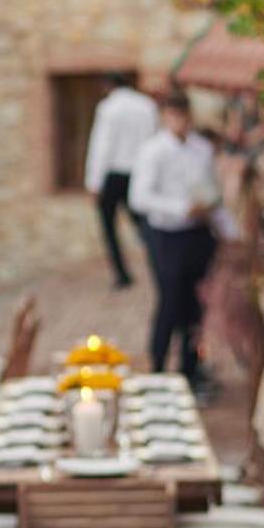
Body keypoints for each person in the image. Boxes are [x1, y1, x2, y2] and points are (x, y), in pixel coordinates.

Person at [129, 91, 221, 387]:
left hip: (198, 232)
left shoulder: (201, 148)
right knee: (169, 300)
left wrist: (226, 229)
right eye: (173, 115)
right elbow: (140, 198)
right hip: (166, 235)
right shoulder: (152, 151)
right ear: (165, 117)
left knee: (196, 304)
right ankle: (156, 365)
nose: (179, 121)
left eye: (183, 115)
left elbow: (210, 190)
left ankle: (190, 367)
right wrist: (181, 208)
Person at [84, 72, 157, 290]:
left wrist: (93, 183)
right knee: (144, 226)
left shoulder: (108, 108)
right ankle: (157, 264)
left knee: (109, 228)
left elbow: (101, 147)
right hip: (140, 172)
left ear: (109, 85)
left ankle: (122, 274)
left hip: (114, 174)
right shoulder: (146, 105)